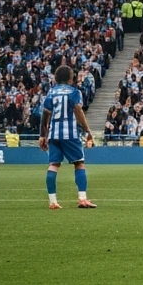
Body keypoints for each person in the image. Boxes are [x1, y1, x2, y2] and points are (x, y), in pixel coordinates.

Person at [39, 64, 97, 210]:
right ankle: (82, 199)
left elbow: (45, 114)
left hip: (53, 134)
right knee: (79, 163)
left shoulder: (51, 93)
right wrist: (88, 130)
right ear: (71, 79)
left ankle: (53, 201)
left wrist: (42, 136)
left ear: (56, 78)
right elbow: (78, 109)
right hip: (70, 134)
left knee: (53, 164)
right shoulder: (75, 92)